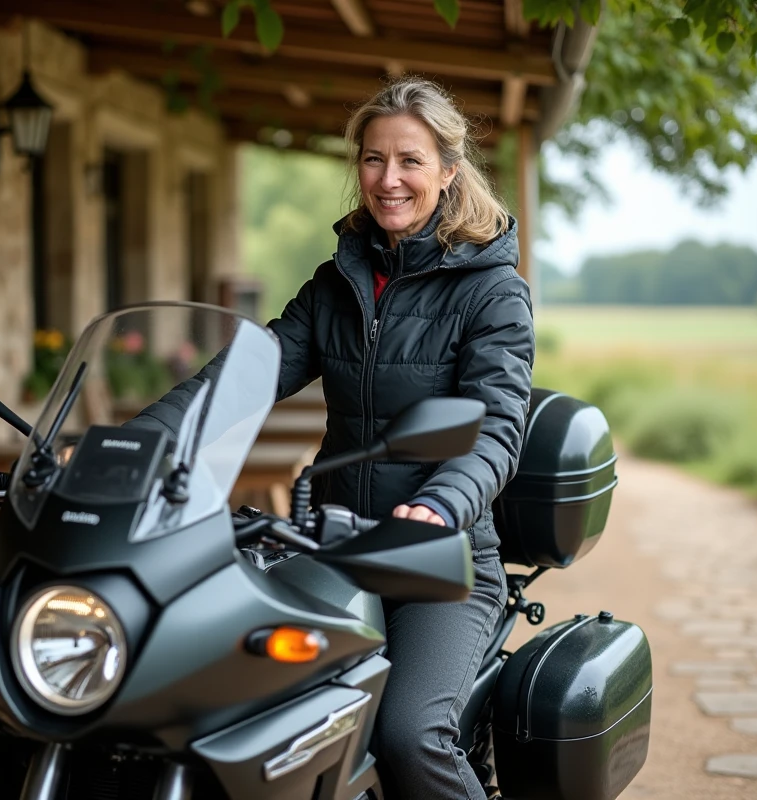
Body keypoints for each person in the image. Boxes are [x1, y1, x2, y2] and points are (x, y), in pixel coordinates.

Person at [266, 77, 535, 800]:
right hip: (335, 546)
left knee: (408, 734)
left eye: (410, 160)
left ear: (448, 170)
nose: (389, 179)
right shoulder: (335, 284)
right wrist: (124, 444)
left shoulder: (492, 292)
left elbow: (495, 427)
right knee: (256, 710)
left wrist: (439, 506)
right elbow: (243, 378)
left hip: (441, 560)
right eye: (373, 159)